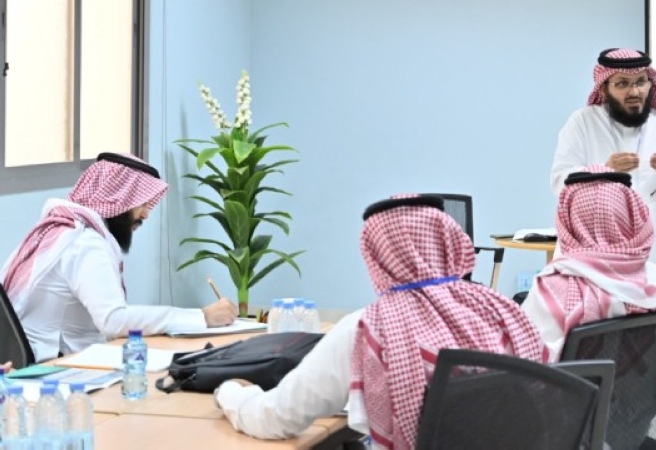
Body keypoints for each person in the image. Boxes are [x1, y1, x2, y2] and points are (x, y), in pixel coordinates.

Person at [215, 194, 547, 449]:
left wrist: (231, 393)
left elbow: (277, 418)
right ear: (452, 242)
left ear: (375, 255)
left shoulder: (369, 328)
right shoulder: (504, 310)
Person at [0, 152, 237, 362]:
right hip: (55, 367)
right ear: (117, 199)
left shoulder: (60, 229)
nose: (145, 214)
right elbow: (113, 320)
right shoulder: (85, 243)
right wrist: (202, 316)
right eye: (141, 203)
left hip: (38, 359)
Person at [551, 48, 656, 305]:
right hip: (595, 253)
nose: (634, 91)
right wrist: (604, 171)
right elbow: (560, 181)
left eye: (640, 82)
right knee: (595, 319)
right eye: (622, 84)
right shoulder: (582, 122)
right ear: (604, 88)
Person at [522, 165, 656, 356]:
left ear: (567, 222)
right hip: (643, 376)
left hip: (575, 378)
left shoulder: (551, 289)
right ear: (631, 216)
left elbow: (525, 362)